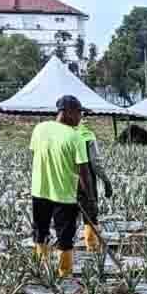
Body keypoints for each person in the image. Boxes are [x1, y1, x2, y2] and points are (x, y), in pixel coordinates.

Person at [29, 95, 92, 277]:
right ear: (68, 112)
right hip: (64, 195)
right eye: (79, 113)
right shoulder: (75, 137)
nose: (80, 117)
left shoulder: (39, 129)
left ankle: (42, 267)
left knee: (40, 231)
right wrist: (89, 197)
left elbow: (36, 154)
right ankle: (65, 273)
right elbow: (84, 172)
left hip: (39, 190)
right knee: (65, 235)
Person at [77, 120, 114, 253]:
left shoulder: (66, 133)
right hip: (86, 181)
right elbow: (95, 163)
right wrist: (106, 181)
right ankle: (92, 249)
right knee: (90, 216)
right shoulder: (88, 135)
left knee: (68, 217)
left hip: (66, 181)